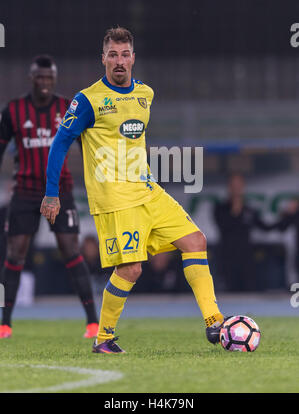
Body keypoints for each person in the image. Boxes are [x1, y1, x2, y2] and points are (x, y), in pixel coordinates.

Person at [41, 27, 226, 354]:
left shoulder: (145, 94)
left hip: (148, 191)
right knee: (131, 269)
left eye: (125, 54)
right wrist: (51, 193)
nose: (119, 61)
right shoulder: (88, 100)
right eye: (113, 54)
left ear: (133, 58)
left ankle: (215, 322)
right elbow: (60, 144)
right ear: (103, 59)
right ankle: (103, 338)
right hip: (115, 199)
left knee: (196, 240)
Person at [0, 55, 98, 339]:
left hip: (61, 191)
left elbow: (86, 145)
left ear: (54, 79)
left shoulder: (66, 107)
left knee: (70, 249)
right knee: (15, 253)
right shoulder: (13, 111)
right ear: (31, 78)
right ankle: (5, 323)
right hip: (25, 192)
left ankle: (92, 322)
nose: (44, 82)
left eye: (49, 78)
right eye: (40, 77)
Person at [213, 173, 273, 291]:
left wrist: (286, 215)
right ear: (229, 187)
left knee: (249, 292)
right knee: (229, 293)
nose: (236, 188)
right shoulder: (220, 208)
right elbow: (223, 226)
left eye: (239, 185)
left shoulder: (249, 210)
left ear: (243, 187)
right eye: (234, 185)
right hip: (227, 258)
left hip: (246, 259)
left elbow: (265, 227)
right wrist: (235, 211)